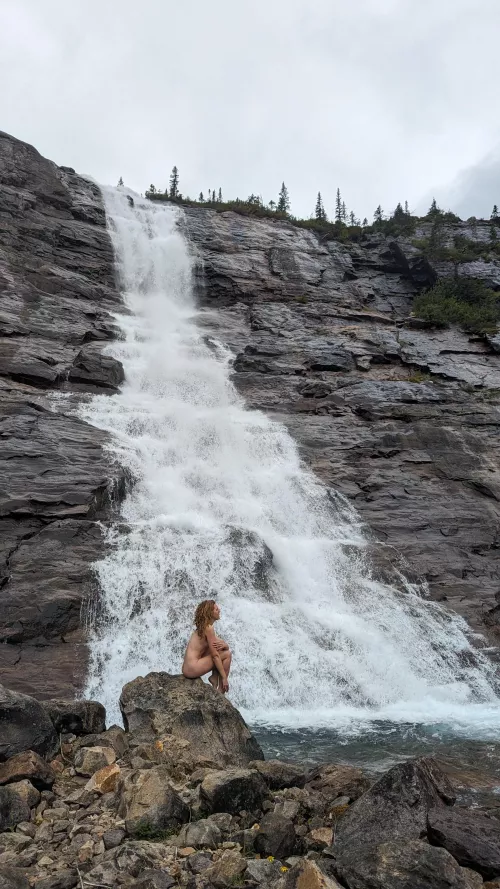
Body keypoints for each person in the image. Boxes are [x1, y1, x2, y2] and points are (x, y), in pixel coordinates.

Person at [182, 600, 232, 693]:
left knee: (218, 649)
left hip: (187, 668)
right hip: (192, 669)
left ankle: (214, 678)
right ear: (210, 613)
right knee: (227, 654)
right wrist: (224, 678)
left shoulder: (203, 627)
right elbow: (215, 656)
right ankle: (221, 690)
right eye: (216, 609)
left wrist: (226, 645)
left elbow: (220, 644)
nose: (219, 610)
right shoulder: (209, 628)